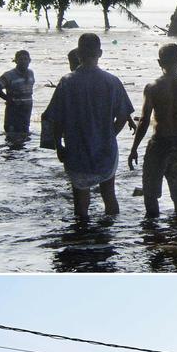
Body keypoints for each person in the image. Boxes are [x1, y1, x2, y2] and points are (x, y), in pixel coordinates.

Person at [49, 33, 134, 220]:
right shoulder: (112, 81)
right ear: (100, 53)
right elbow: (123, 116)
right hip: (106, 149)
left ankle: (82, 239)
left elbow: (56, 119)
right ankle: (109, 239)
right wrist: (109, 135)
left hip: (76, 150)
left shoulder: (67, 82)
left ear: (78, 53)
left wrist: (58, 145)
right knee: (109, 195)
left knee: (81, 201)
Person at [128, 43, 177, 219]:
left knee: (151, 196)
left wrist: (133, 148)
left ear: (159, 62)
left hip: (159, 145)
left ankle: (153, 238)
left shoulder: (152, 87)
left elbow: (145, 120)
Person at [0, 50, 35, 135]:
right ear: (16, 61)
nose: (23, 61)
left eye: (25, 59)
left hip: (26, 111)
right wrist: (8, 99)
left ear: (29, 60)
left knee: (25, 135)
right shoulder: (9, 75)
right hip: (13, 111)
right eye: (20, 59)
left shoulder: (31, 73)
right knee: (12, 137)